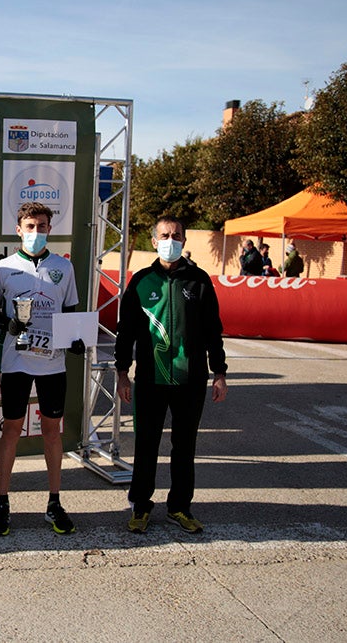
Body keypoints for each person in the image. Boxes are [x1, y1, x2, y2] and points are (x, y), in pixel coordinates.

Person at [115, 215, 228, 535]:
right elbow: (126, 333)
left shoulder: (201, 280)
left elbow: (213, 332)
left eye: (176, 235)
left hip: (190, 380)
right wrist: (122, 372)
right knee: (146, 445)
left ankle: (180, 506)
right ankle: (140, 505)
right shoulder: (140, 281)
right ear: (154, 241)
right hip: (150, 379)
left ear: (184, 240)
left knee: (184, 446)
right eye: (164, 235)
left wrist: (219, 372)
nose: (170, 240)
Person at [0, 202, 84, 536]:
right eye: (30, 226)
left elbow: (71, 311)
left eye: (42, 226)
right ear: (19, 228)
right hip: (16, 362)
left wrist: (76, 339)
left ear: (49, 230)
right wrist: (7, 324)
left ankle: (54, 502)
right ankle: (2, 502)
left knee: (52, 431)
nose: (36, 232)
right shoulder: (3, 268)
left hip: (52, 363)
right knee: (11, 429)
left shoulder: (62, 268)